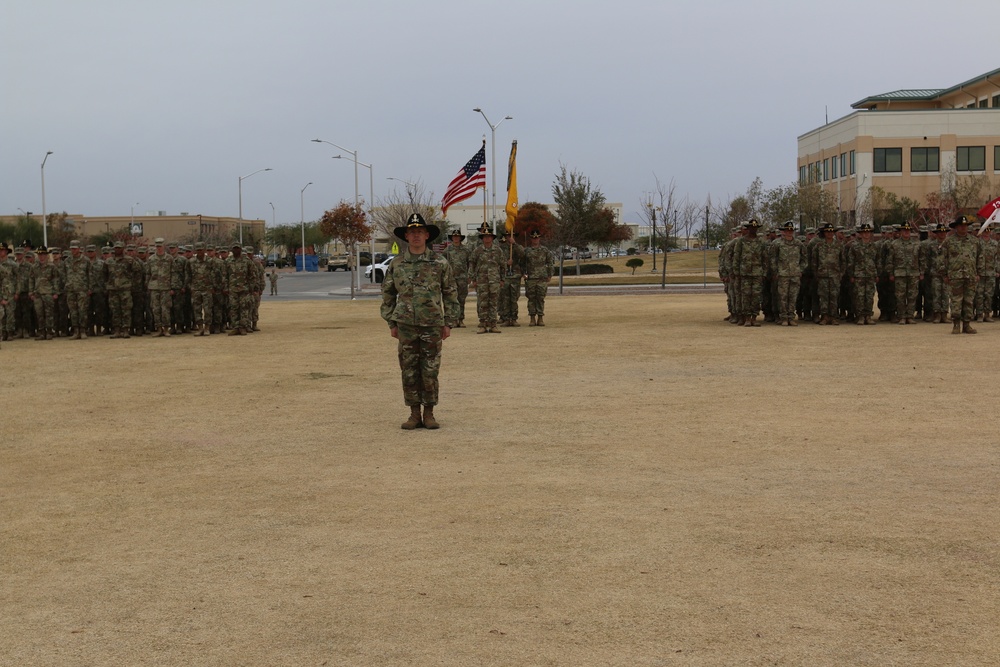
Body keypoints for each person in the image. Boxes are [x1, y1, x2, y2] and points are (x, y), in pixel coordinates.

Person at [381, 213, 460, 430]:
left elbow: (450, 293)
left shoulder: (440, 263)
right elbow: (387, 293)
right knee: (408, 369)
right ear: (406, 236)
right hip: (405, 325)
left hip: (432, 324)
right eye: (412, 232)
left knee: (430, 369)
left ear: (427, 235)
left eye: (420, 232)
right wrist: (391, 322)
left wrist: (449, 323)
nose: (416, 236)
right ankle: (414, 413)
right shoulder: (397, 264)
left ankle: (430, 413)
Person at [942, 214, 983, 334]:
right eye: (961, 226)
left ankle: (967, 324)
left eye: (965, 226)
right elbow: (942, 259)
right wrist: (944, 274)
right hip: (955, 276)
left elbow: (979, 257)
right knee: (956, 301)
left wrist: (978, 273)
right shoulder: (949, 241)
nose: (964, 228)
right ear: (956, 227)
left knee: (969, 301)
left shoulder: (974, 241)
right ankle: (956, 324)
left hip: (970, 275)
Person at [469, 223, 505, 333]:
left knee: (493, 302)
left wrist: (502, 279)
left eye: (489, 237)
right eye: (485, 237)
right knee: (482, 302)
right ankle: (483, 324)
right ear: (482, 238)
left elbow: (503, 265)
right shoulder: (477, 251)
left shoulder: (498, 250)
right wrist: (473, 279)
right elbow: (472, 264)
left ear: (492, 238)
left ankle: (493, 324)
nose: (487, 239)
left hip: (494, 280)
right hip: (481, 281)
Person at [769, 221, 805, 326]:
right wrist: (775, 271)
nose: (789, 232)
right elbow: (772, 259)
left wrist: (800, 270)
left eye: (791, 230)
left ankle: (791, 317)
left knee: (793, 297)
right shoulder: (777, 243)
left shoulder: (799, 244)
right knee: (783, 297)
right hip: (782, 274)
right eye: (787, 230)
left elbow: (804, 258)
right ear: (784, 231)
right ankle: (784, 317)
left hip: (795, 274)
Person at [522, 230, 554, 326]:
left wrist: (549, 275)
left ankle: (540, 317)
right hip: (531, 278)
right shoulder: (526, 251)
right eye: (533, 238)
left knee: (540, 298)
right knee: (531, 298)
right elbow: (522, 263)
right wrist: (523, 273)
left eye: (537, 238)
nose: (535, 240)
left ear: (539, 238)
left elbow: (550, 263)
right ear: (531, 239)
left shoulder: (545, 250)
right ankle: (532, 318)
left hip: (542, 278)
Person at [443, 229, 471, 327]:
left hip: (463, 278)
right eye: (454, 237)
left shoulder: (466, 250)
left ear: (460, 238)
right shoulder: (447, 251)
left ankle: (461, 319)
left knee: (461, 299)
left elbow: (470, 263)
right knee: (452, 300)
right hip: (451, 279)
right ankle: (454, 320)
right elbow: (443, 265)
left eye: (457, 237)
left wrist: (469, 276)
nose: (456, 238)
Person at [497, 231, 525, 326]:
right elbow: (497, 261)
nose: (509, 237)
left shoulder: (517, 246)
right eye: (507, 236)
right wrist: (506, 263)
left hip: (515, 276)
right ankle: (505, 318)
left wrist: (514, 244)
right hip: (505, 276)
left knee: (514, 298)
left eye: (511, 236)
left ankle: (513, 318)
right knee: (505, 298)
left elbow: (523, 255)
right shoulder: (501, 248)